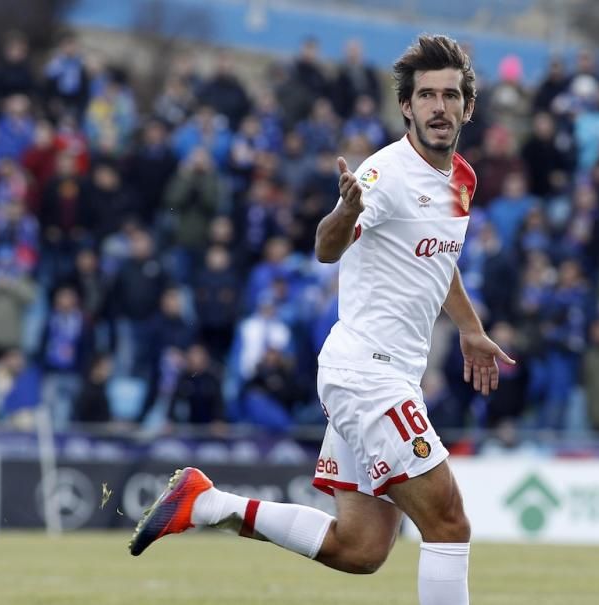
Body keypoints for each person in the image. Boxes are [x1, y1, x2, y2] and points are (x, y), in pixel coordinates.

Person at [128, 35, 513, 605]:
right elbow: (327, 248)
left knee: (360, 549)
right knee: (449, 523)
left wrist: (470, 328)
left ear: (468, 107)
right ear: (405, 106)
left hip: (382, 376)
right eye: (426, 95)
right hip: (368, 377)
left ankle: (205, 503)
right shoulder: (384, 176)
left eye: (449, 95)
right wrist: (346, 211)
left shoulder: (462, 179)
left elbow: (440, 258)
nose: (438, 106)